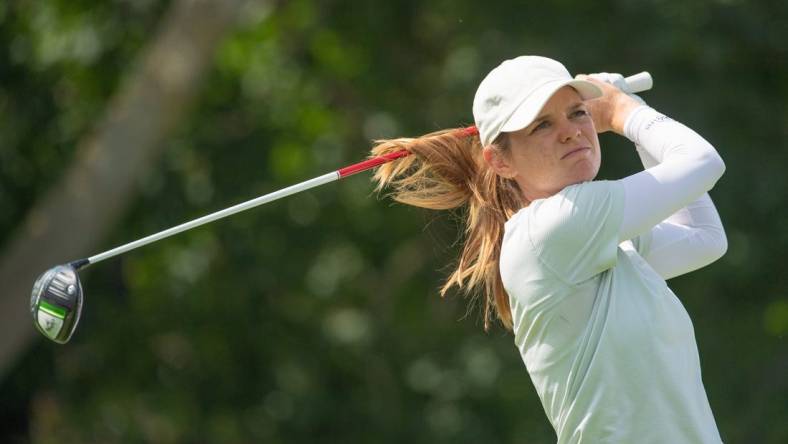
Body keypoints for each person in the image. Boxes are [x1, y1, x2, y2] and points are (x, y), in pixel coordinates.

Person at [371, 56, 727, 443]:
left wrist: (635, 122)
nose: (571, 132)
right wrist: (627, 112)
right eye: (542, 124)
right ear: (499, 161)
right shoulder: (556, 227)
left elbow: (704, 238)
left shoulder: (590, 237)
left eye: (577, 113)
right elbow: (703, 162)